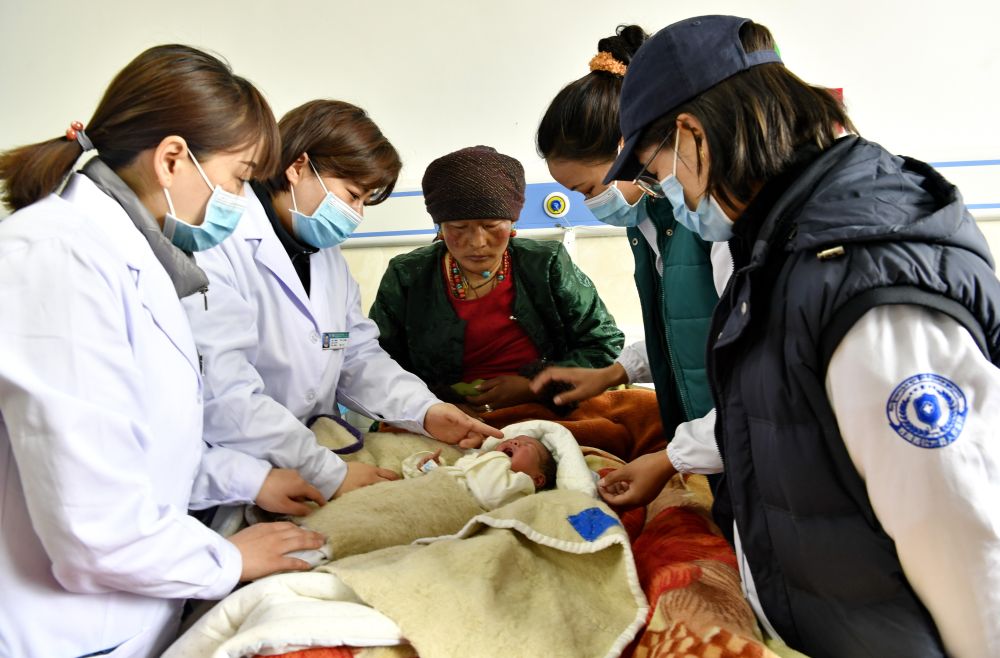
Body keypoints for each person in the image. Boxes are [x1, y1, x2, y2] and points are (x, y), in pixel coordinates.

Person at [579, 15, 1000, 657]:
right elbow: (777, 418)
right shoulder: (779, 249)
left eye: (656, 168)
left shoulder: (863, 283)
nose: (669, 189)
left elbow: (968, 546)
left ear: (693, 136)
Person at [0, 45, 325, 657]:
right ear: (173, 158)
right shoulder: (57, 259)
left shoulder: (134, 259)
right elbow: (92, 522)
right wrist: (229, 559)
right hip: (59, 628)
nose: (239, 201)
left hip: (126, 608)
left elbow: (146, 452)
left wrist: (251, 478)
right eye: (239, 177)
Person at [182, 100, 501, 508]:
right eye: (352, 195)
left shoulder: (325, 257)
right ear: (297, 167)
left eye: (364, 201)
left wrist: (425, 410)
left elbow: (356, 355)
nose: (356, 214)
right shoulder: (218, 245)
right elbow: (226, 393)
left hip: (316, 451)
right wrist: (326, 471)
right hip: (235, 470)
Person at [536, 25, 725, 447]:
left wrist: (677, 458)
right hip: (705, 437)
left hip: (729, 436)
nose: (592, 203)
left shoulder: (708, 219)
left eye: (588, 189)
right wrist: (615, 372)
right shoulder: (649, 217)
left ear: (626, 148)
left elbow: (740, 349)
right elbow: (680, 328)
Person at [369, 145, 624, 414]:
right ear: (440, 228)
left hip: (550, 407)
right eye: (459, 228)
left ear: (512, 224)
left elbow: (604, 345)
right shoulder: (408, 275)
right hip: (441, 415)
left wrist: (535, 386)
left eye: (491, 226)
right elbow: (378, 364)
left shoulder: (546, 264)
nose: (478, 242)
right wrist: (433, 406)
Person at [404, 434, 557, 510]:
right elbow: (454, 475)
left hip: (449, 507)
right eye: (513, 439)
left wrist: (495, 457)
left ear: (537, 479)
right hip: (429, 493)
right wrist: (430, 467)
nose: (514, 441)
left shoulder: (521, 487)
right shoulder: (476, 460)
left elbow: (489, 496)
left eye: (528, 445)